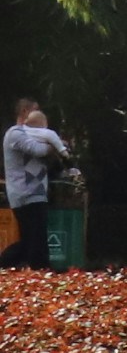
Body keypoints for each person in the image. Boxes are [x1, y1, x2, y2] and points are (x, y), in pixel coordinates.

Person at [2, 101, 62, 270]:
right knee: (35, 237)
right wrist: (56, 143)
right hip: (24, 193)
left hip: (37, 192)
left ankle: (16, 265)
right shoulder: (15, 133)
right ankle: (41, 268)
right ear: (24, 111)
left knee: (31, 239)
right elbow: (38, 150)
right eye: (36, 112)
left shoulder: (36, 136)